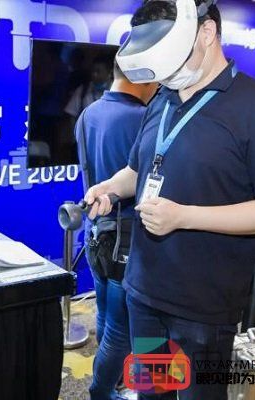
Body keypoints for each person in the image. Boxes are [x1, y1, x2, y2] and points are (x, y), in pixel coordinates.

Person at [84, 1, 255, 399]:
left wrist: (184, 217)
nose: (168, 74)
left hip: (204, 307)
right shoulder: (162, 100)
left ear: (207, 33)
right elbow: (137, 170)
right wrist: (110, 188)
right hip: (145, 291)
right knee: (154, 391)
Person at [75, 60, 157, 400]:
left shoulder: (87, 114)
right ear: (143, 79)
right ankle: (102, 390)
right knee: (120, 331)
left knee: (106, 317)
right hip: (128, 239)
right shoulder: (144, 119)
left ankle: (110, 382)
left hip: (96, 233)